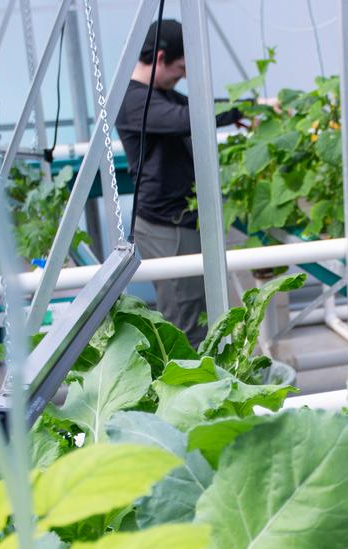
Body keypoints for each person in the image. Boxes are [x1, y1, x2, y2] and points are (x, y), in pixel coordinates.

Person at [115, 19, 243, 346]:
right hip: (165, 229)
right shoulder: (132, 101)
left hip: (183, 222)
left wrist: (251, 109)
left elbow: (198, 108)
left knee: (201, 309)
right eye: (181, 67)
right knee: (185, 322)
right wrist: (240, 108)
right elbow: (188, 119)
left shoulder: (163, 94)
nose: (183, 76)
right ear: (159, 58)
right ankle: (186, 390)